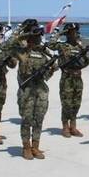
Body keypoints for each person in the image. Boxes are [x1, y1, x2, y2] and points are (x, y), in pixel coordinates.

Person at [15, 25, 57, 160]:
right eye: (35, 37)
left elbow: (49, 73)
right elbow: (8, 45)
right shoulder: (22, 52)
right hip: (27, 90)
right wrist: (25, 34)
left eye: (39, 37)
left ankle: (35, 146)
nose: (38, 40)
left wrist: (51, 67)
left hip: (41, 90)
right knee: (26, 119)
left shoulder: (43, 54)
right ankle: (26, 147)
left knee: (39, 119)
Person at [48, 23, 89, 138]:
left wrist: (82, 48)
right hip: (67, 78)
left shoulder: (79, 47)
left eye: (76, 31)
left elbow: (87, 60)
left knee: (76, 103)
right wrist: (60, 33)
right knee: (66, 103)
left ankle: (73, 126)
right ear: (67, 33)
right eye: (72, 32)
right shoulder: (62, 46)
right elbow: (50, 44)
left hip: (78, 77)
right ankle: (65, 127)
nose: (75, 33)